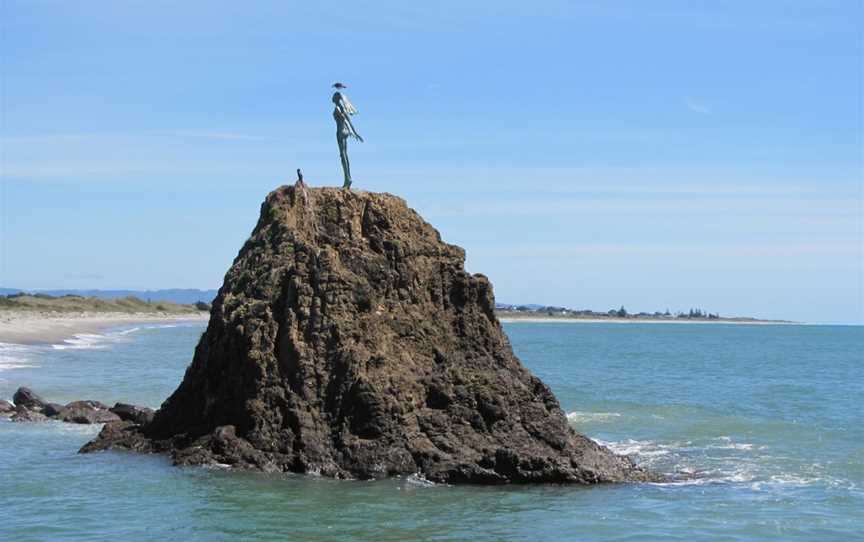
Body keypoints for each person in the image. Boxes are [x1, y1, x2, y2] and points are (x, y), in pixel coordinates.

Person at [332, 83, 363, 188]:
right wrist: (354, 132)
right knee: (345, 155)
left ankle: (347, 178)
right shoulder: (343, 108)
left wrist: (354, 132)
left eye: (333, 97)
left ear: (336, 99)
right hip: (345, 131)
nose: (331, 98)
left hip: (340, 131)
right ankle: (348, 177)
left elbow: (343, 120)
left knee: (343, 155)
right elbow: (348, 121)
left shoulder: (337, 108)